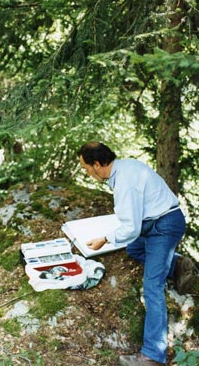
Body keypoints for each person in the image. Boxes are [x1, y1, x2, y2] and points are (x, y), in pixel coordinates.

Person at [77, 141, 196, 366]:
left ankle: (152, 355)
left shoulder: (124, 181)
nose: (87, 173)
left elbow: (130, 227)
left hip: (164, 225)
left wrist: (104, 239)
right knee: (134, 248)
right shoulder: (125, 167)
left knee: (152, 287)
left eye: (86, 168)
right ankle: (177, 265)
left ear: (98, 164)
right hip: (153, 222)